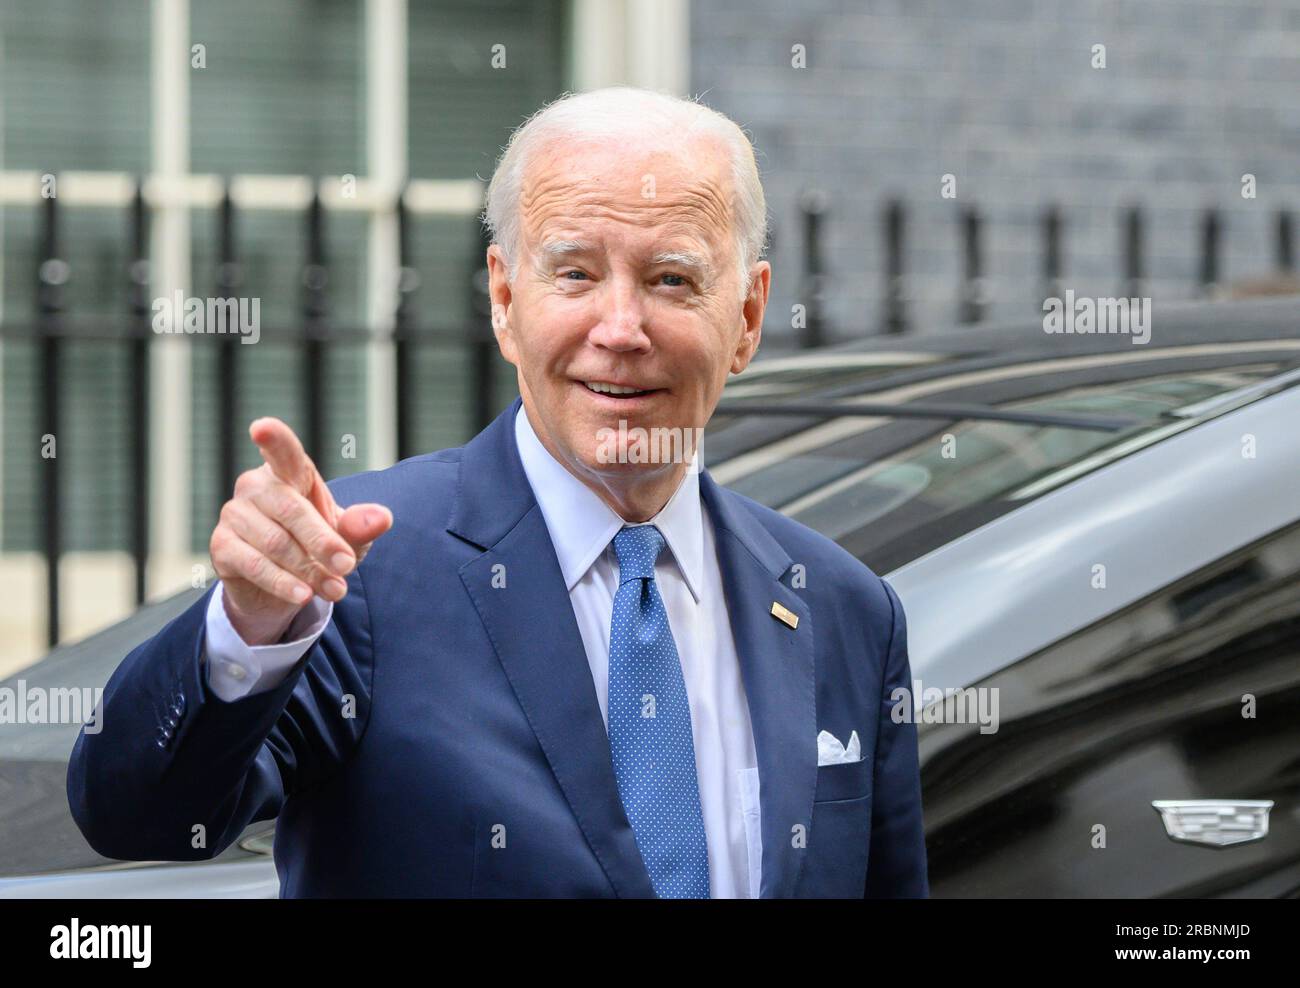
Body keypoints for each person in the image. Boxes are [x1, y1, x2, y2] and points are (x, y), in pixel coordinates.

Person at [67, 87, 928, 898]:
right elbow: (142, 817)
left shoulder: (843, 610)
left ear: (746, 318)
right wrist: (246, 628)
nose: (620, 330)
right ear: (505, 298)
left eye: (671, 279)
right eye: (576, 274)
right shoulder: (355, 576)